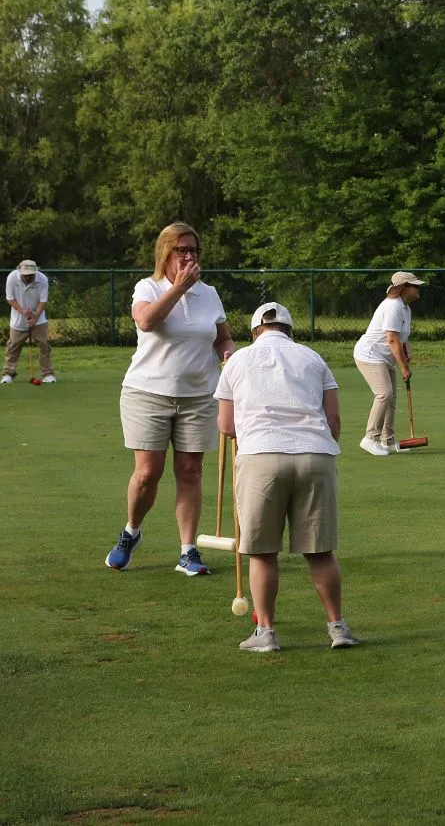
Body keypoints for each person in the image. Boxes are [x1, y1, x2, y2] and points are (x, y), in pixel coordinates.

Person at [216, 302, 358, 652]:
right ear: (290, 330)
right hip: (314, 455)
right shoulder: (313, 358)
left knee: (263, 552)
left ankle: (266, 633)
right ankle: (337, 627)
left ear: (254, 332)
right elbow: (334, 418)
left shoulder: (237, 360)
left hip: (261, 457)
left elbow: (226, 426)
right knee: (321, 551)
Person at [106, 223, 237, 574]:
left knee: (190, 472)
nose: (189, 256)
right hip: (147, 392)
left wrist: (228, 353)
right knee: (148, 473)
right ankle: (131, 530)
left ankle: (188, 551)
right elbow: (147, 321)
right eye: (181, 250)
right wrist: (178, 289)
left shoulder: (209, 293)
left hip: (199, 396)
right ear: (165, 253)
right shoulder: (147, 287)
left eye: (194, 250)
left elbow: (222, 337)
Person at [353, 271, 423, 456]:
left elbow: (401, 337)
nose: (418, 288)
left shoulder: (405, 308)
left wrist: (406, 351)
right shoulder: (393, 306)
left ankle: (388, 441)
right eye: (415, 285)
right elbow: (391, 339)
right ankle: (369, 439)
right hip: (370, 355)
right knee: (384, 394)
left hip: (384, 357)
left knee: (391, 397)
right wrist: (404, 367)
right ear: (404, 288)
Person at [3, 259, 56, 385]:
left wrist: (35, 317)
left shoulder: (42, 279)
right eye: (25, 274)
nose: (27, 277)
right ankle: (8, 374)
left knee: (44, 345)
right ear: (20, 271)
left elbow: (43, 301)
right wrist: (22, 311)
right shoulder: (12, 277)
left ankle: (48, 374)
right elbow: (10, 299)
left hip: (39, 319)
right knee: (13, 346)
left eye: (30, 274)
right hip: (18, 319)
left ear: (34, 272)